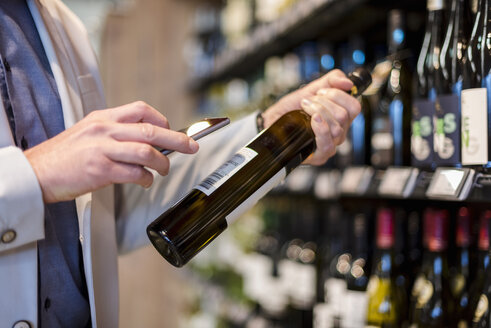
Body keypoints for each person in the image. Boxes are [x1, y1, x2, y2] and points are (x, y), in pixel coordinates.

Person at [0, 0, 361, 327]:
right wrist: (34, 174)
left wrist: (266, 131)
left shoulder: (64, 26)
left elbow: (109, 215)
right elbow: (52, 173)